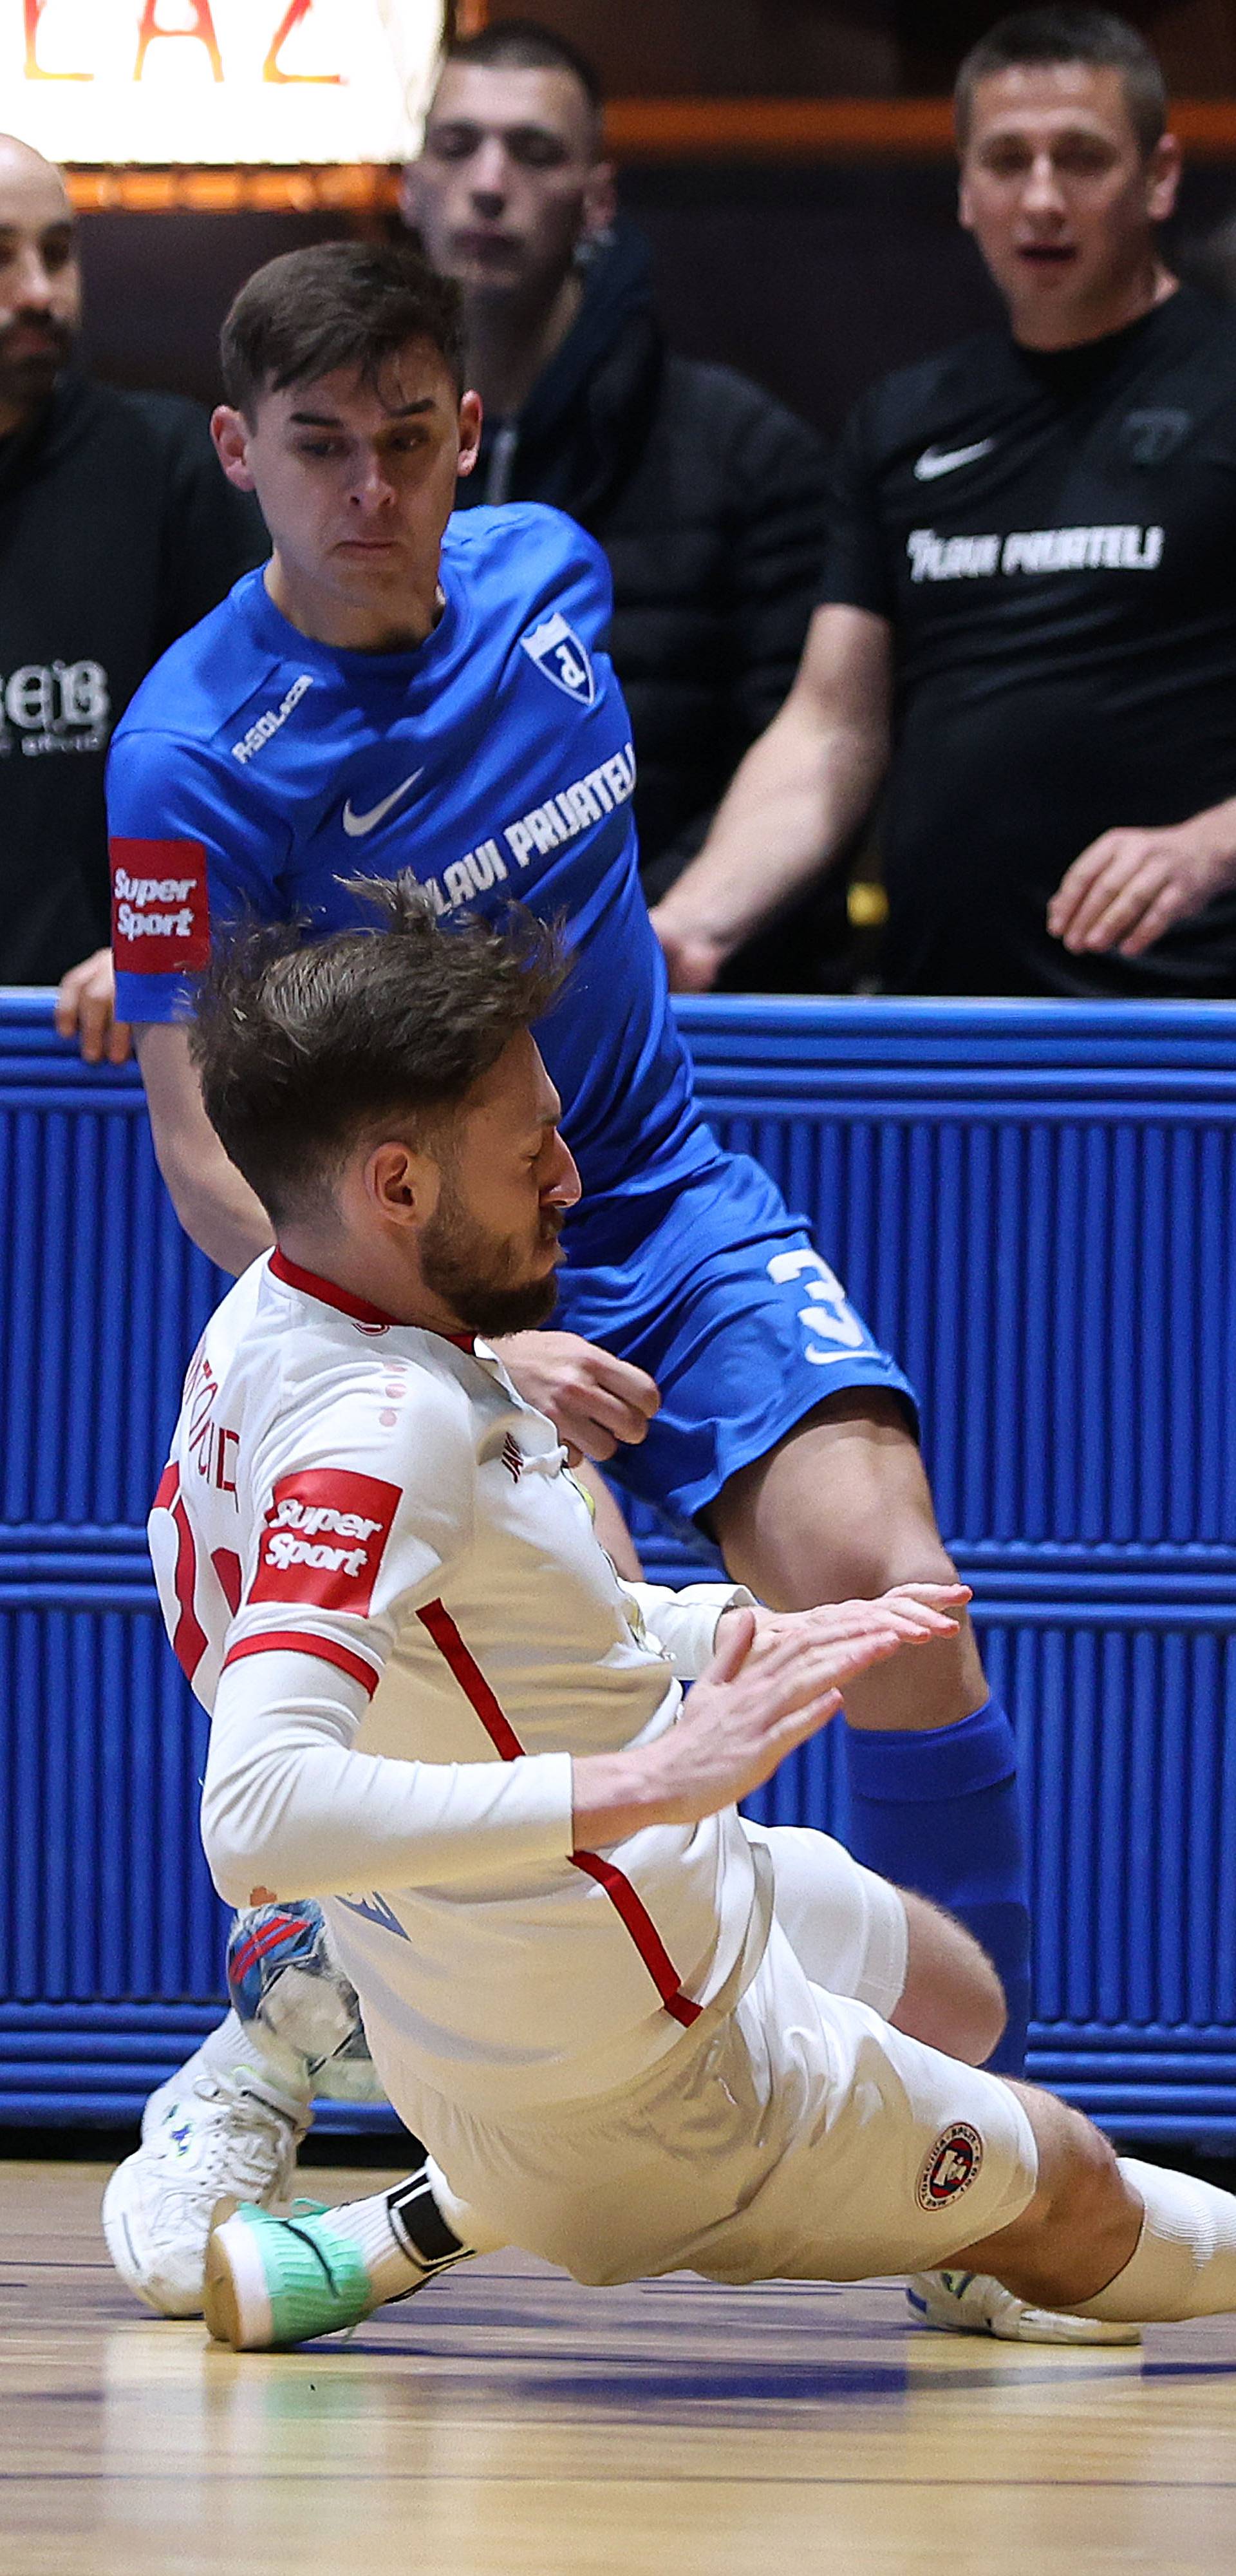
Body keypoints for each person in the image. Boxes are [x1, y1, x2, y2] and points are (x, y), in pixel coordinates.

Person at [99, 238, 1047, 2345]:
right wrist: (460, 1340)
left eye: (411, 442)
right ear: (245, 452)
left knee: (889, 1584)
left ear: (467, 437)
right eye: (322, 451)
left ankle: (980, 2173)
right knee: (555, 1685)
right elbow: (200, 1140)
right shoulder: (189, 759)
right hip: (429, 1280)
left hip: (659, 1190)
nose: (373, 491)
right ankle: (272, 2059)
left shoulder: (554, 576)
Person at [155, 884, 1236, 2360]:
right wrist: (654, 1776)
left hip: (597, 1942)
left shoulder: (276, 1321)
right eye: (529, 1145)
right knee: (1083, 2194)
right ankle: (596, 2192)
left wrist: (703, 1634)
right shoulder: (386, 1425)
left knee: (957, 1992)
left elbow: (495, 1626)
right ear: (397, 1188)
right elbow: (260, 1814)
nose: (572, 1176)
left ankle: (424, 2213)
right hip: (645, 2075)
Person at [651, 7, 1236, 1000]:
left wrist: (1209, 848)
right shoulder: (904, 421)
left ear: (1161, 177)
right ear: (966, 188)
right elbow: (833, 729)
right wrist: (691, 921)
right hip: (944, 1028)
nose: (1042, 199)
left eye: (1082, 159)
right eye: (1008, 161)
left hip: (1184, 1037)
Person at [404, 19, 845, 982]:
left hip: (673, 1005)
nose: (488, 181)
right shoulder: (346, 463)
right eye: (456, 145)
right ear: (409, 184)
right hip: (411, 1032)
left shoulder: (744, 453)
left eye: (533, 152)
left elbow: (800, 748)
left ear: (597, 198)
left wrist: (623, 948)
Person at [0, 133, 265, 1046]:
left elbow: (263, 750)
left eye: (58, 254)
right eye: (0, 258)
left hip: (124, 1042)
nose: (38, 292)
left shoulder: (167, 466)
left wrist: (165, 940)